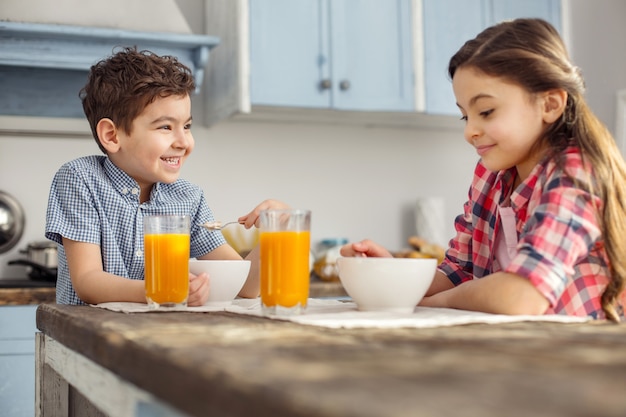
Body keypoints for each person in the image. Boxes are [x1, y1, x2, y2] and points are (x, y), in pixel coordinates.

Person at [341, 18, 626, 321]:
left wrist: (440, 302)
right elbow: (457, 272)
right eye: (465, 116)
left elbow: (521, 297)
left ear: (550, 104)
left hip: (584, 356)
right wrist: (393, 274)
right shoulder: (490, 175)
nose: (470, 132)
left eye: (486, 112)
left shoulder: (576, 175)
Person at [45, 47, 288, 306]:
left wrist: (279, 232)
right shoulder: (80, 179)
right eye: (165, 127)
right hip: (87, 340)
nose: (183, 141)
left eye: (186, 126)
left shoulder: (188, 198)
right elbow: (88, 282)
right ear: (112, 136)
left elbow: (246, 286)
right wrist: (164, 290)